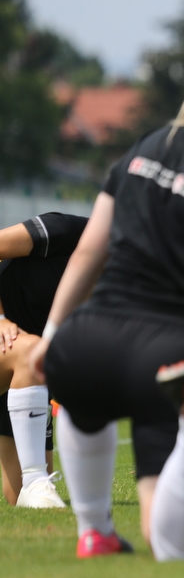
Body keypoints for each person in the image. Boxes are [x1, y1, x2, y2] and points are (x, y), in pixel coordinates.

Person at [29, 28, 184, 560]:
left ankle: (93, 529)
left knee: (81, 401)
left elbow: (90, 250)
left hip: (86, 341)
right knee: (178, 550)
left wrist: (53, 335)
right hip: (167, 358)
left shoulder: (150, 144)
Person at [0, 213, 87, 508]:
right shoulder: (64, 231)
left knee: (24, 499)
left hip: (29, 372)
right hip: (17, 347)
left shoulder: (132, 282)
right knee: (30, 352)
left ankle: (35, 480)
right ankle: (36, 478)